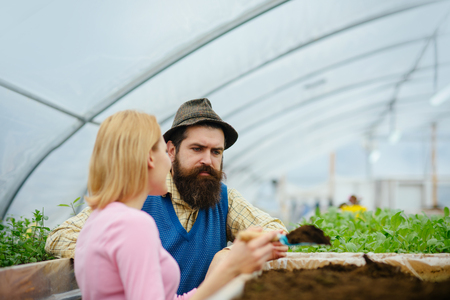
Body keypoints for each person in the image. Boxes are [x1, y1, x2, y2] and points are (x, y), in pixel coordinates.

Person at [46, 98, 288, 294]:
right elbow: (60, 236)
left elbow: (275, 232)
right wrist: (127, 253)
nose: (208, 160)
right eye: (197, 149)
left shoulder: (224, 199)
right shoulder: (134, 205)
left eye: (216, 152)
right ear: (171, 151)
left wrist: (227, 255)